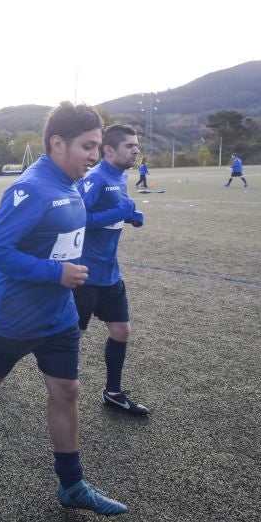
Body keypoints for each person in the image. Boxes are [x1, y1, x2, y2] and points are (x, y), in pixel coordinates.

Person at [0, 102, 128, 515]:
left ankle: (71, 484)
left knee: (67, 391)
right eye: (88, 145)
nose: (95, 155)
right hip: (16, 317)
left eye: (98, 146)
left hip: (60, 316)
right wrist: (57, 273)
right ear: (58, 142)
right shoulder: (32, 187)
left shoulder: (72, 181)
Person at [74, 124, 149, 416]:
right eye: (129, 145)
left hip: (110, 272)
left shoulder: (120, 177)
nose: (136, 150)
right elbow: (75, 217)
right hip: (84, 273)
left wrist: (131, 215)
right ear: (109, 150)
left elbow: (114, 213)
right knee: (74, 335)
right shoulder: (96, 178)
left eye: (136, 145)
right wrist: (119, 213)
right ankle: (64, 389)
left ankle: (113, 393)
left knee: (121, 330)